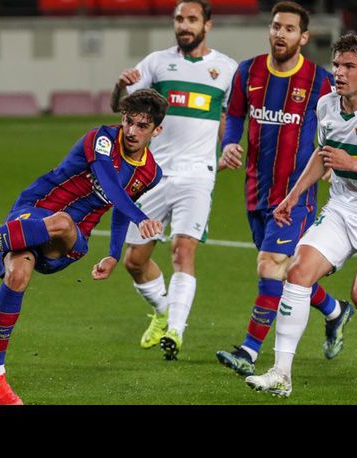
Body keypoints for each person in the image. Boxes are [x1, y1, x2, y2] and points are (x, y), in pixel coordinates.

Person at [0, 89, 168, 405]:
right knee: (18, 275)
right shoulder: (102, 139)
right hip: (33, 210)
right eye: (128, 121)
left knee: (64, 222)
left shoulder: (151, 173)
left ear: (156, 130)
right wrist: (142, 217)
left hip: (71, 238)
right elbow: (109, 182)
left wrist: (112, 253)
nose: (132, 131)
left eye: (142, 126)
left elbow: (121, 205)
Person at [245, 33, 357, 402]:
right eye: (336, 64)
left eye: (349, 66)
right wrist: (292, 196)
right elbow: (322, 155)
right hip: (341, 208)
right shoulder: (325, 106)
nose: (339, 72)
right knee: (298, 272)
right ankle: (281, 373)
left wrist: (354, 163)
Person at [215, 1, 354, 377]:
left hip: (296, 194)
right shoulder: (248, 72)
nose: (280, 33)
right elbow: (236, 115)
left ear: (303, 37)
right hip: (255, 190)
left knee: (270, 265)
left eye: (289, 28)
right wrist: (229, 143)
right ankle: (336, 311)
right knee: (289, 269)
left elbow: (343, 119)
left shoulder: (320, 80)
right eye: (276, 26)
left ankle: (249, 351)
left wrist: (334, 159)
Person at [110, 0, 238, 361]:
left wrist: (228, 146)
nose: (184, 25)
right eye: (179, 19)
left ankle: (176, 331)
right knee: (134, 261)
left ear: (207, 24)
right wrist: (120, 86)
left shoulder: (226, 69)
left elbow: (232, 118)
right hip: (152, 174)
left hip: (198, 175)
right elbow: (120, 107)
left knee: (182, 251)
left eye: (192, 19)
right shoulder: (156, 63)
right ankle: (165, 311)